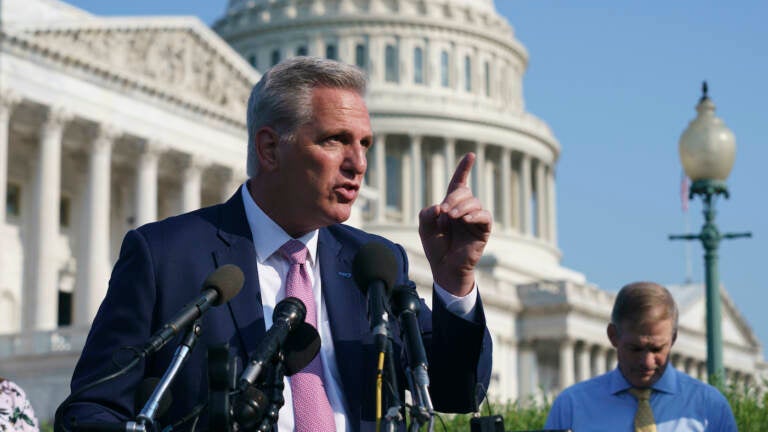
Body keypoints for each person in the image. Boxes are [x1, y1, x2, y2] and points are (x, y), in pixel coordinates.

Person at [57, 56, 492, 432]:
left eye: (364, 144)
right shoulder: (166, 257)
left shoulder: (374, 264)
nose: (358, 163)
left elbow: (456, 390)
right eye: (335, 139)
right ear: (269, 148)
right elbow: (92, 409)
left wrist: (455, 281)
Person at [544, 281, 737, 431]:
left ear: (673, 339)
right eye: (635, 349)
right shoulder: (571, 407)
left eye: (657, 349)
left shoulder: (709, 406)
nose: (647, 361)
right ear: (613, 336)